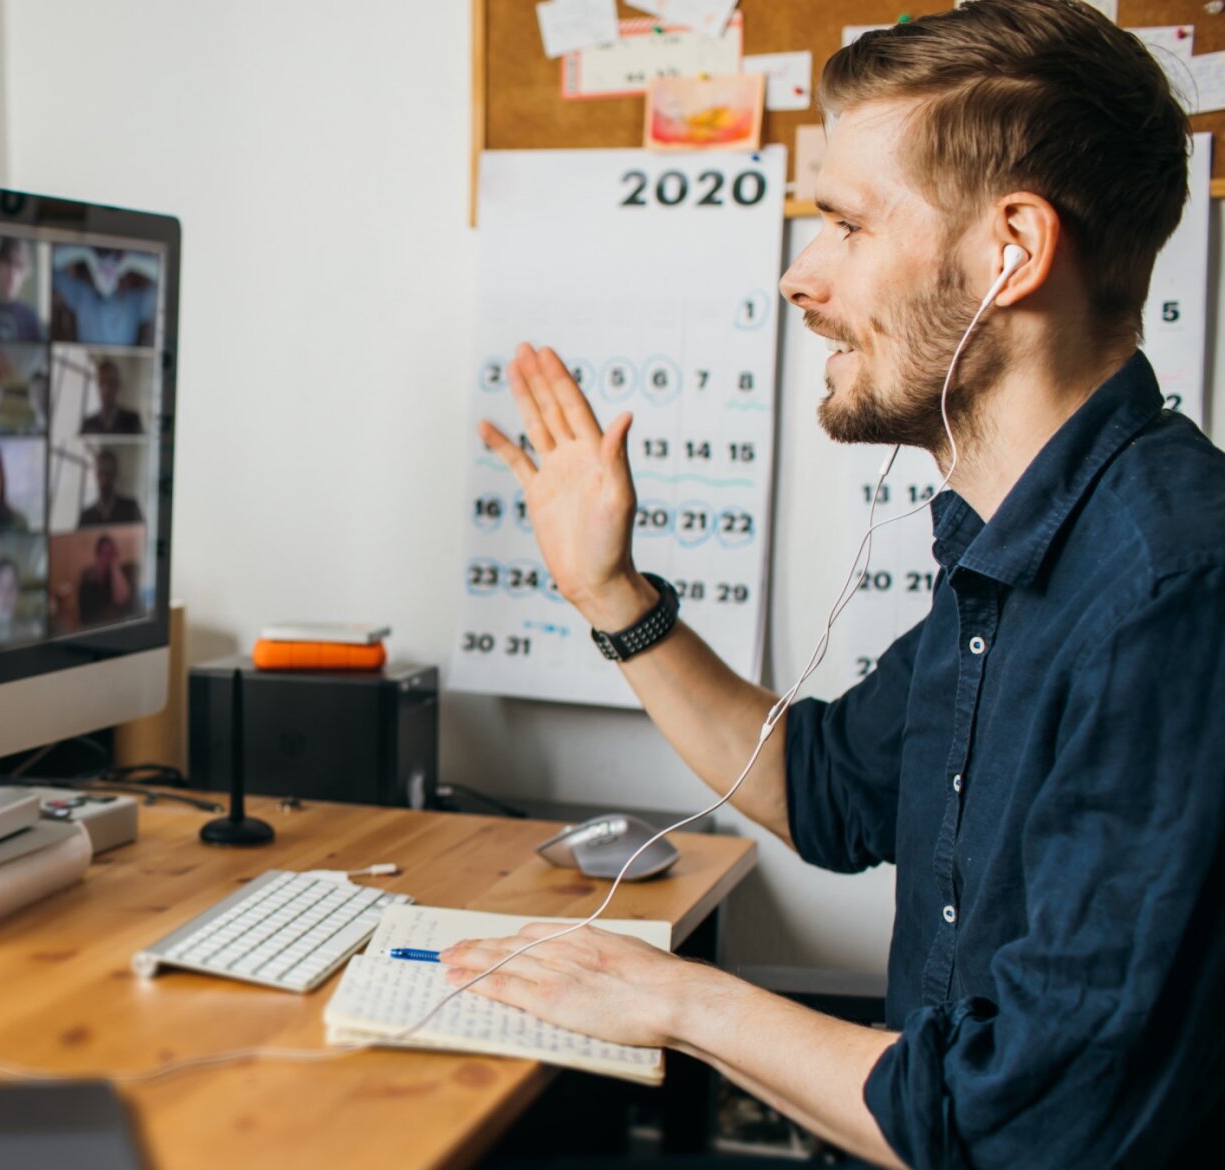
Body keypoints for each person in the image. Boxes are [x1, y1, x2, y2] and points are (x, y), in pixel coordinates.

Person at [454, 5, 1225, 1168]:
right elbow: (824, 791)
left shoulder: (1169, 587)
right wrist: (610, 592)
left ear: (1011, 251)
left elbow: (1021, 1123)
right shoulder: (1017, 539)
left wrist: (675, 1002)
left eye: (846, 226)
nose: (797, 278)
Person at [52, 246, 158, 345]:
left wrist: (129, 262)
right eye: (101, 264)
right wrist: (86, 254)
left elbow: (166, 276)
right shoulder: (82, 295)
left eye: (112, 266)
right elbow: (48, 264)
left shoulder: (134, 303)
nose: (106, 273)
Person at [75, 535, 133, 627]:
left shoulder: (115, 576)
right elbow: (83, 615)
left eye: (110, 555)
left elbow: (121, 599)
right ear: (97, 555)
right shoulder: (87, 577)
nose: (106, 559)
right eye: (104, 554)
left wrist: (114, 565)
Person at [77, 448, 143, 526]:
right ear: (96, 475)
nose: (104, 479)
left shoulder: (131, 508)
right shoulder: (86, 516)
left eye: (108, 473)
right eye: (101, 473)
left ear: (115, 474)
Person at [79, 359, 144, 435]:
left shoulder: (133, 420)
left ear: (118, 385)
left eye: (111, 382)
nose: (106, 389)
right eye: (102, 382)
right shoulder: (88, 423)